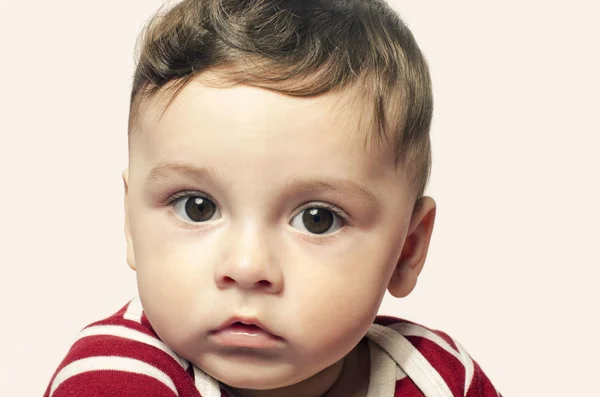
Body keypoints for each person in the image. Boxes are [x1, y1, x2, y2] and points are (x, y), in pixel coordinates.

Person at [44, 0, 502, 396]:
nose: (246, 267)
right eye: (196, 207)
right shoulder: (117, 378)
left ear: (407, 249)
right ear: (130, 225)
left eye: (318, 219)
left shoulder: (439, 378)